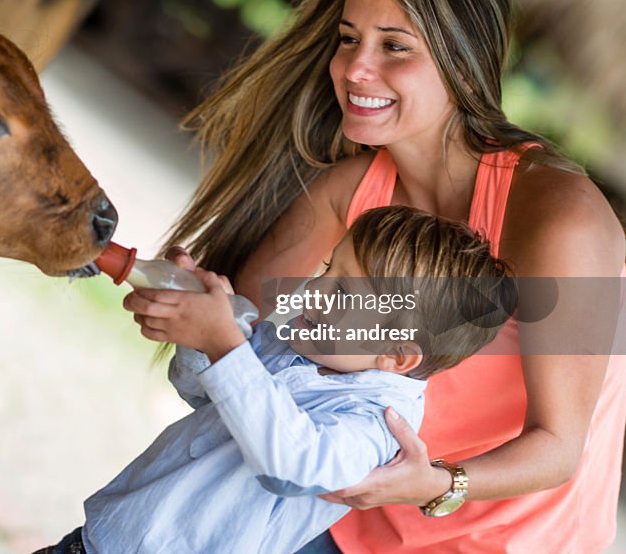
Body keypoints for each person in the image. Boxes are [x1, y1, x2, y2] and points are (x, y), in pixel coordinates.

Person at [148, 0, 626, 553]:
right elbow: (244, 325)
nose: (355, 69)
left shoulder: (556, 214)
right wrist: (185, 305)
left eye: (395, 47)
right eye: (349, 38)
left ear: (462, 63)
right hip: (349, 510)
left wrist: (432, 482)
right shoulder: (350, 189)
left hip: (504, 537)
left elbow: (559, 449)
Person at [36, 205, 514, 554]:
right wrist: (207, 335)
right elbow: (202, 392)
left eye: (344, 290)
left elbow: (295, 464)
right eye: (329, 268)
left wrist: (227, 347)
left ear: (395, 355)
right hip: (105, 537)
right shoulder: (298, 347)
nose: (315, 288)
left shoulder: (376, 424)